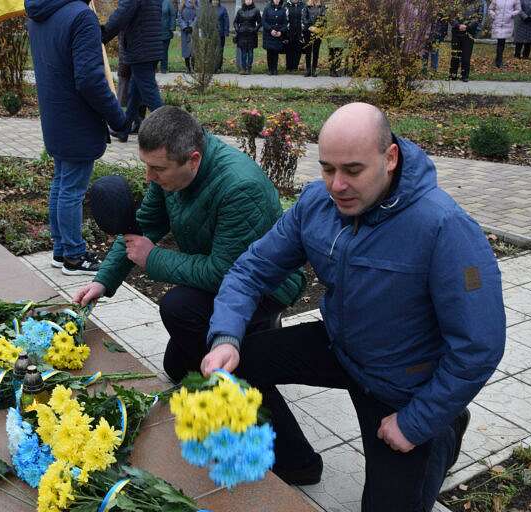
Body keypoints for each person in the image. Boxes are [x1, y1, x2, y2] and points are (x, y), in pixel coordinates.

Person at [198, 103, 506, 506]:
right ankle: (295, 461)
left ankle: (443, 430)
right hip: (341, 347)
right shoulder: (316, 203)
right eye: (327, 168)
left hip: (402, 385)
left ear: (390, 158)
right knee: (242, 361)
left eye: (353, 170)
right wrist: (225, 337)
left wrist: (417, 423)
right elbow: (251, 270)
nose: (336, 185)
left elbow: (480, 344)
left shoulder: (444, 227)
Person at [73, 106, 306, 377]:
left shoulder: (240, 188)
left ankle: (242, 369)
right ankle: (250, 336)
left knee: (178, 307)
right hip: (220, 271)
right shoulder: (171, 175)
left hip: (265, 287)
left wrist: (152, 258)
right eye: (146, 166)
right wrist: (103, 281)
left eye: (157, 168)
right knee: (176, 367)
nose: (149, 176)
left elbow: (226, 273)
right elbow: (144, 225)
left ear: (193, 160)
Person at [26, 0, 126, 274]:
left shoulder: (38, 15)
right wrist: (118, 117)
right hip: (77, 119)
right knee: (71, 189)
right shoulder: (81, 17)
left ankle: (61, 250)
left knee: (61, 183)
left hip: (55, 117)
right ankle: (74, 255)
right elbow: (90, 79)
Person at [102, 0, 163, 143]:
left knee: (150, 95)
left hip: (140, 48)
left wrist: (103, 34)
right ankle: (124, 129)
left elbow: (122, 15)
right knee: (134, 93)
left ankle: (171, 132)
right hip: (151, 47)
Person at [449, 0, 484, 81]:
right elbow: (451, 15)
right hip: (456, 32)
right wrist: (458, 25)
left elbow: (479, 17)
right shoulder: (455, 2)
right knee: (455, 55)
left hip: (469, 33)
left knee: (466, 56)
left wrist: (467, 26)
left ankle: (464, 76)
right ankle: (452, 75)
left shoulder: (478, 3)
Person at [489, 0, 521, 67]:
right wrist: (493, 15)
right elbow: (491, 9)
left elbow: (518, 9)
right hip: (498, 22)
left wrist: (512, 14)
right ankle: (499, 61)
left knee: (501, 42)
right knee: (500, 42)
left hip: (507, 23)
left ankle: (498, 60)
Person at [234, 0, 262, 74]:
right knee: (243, 52)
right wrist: (237, 29)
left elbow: (260, 22)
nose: (248, 1)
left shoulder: (256, 10)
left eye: (250, 0)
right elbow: (235, 22)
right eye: (247, 0)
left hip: (251, 35)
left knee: (250, 52)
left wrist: (254, 30)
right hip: (242, 34)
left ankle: (249, 68)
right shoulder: (240, 11)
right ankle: (243, 68)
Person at [262, 0, 289, 75]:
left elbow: (285, 23)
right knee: (270, 52)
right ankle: (270, 69)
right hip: (269, 34)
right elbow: (263, 21)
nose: (276, 0)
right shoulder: (267, 8)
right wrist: (270, 30)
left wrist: (281, 31)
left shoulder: (283, 10)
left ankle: (275, 69)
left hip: (278, 34)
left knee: (276, 52)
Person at [301, 0, 324, 76]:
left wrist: (317, 26)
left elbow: (323, 18)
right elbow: (304, 18)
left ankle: (314, 69)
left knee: (316, 51)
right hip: (308, 30)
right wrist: (310, 26)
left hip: (318, 31)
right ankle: (308, 70)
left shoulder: (322, 6)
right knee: (308, 51)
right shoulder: (306, 6)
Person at [284, 0, 304, 71]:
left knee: (298, 48)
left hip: (299, 31)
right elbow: (284, 18)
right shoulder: (286, 6)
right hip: (289, 30)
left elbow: (304, 18)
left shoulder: (302, 6)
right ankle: (289, 66)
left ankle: (295, 66)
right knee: (289, 48)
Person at [178, 0, 198, 72]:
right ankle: (187, 68)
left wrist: (192, 26)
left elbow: (198, 16)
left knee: (193, 49)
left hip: (193, 30)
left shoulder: (196, 3)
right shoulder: (182, 4)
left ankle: (193, 67)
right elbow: (179, 17)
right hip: (185, 31)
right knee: (186, 50)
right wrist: (184, 27)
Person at [213, 0, 230, 72]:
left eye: (216, 0)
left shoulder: (223, 9)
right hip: (211, 34)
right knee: (212, 51)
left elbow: (226, 21)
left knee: (220, 51)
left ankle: (219, 67)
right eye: (213, 0)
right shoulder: (209, 9)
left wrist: (226, 32)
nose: (215, 1)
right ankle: (212, 66)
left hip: (220, 34)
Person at [160, 0, 177, 73]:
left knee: (164, 51)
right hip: (154, 32)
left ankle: (164, 68)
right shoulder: (153, 2)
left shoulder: (168, 2)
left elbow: (173, 15)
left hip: (166, 31)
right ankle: (153, 68)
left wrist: (172, 28)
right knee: (154, 51)